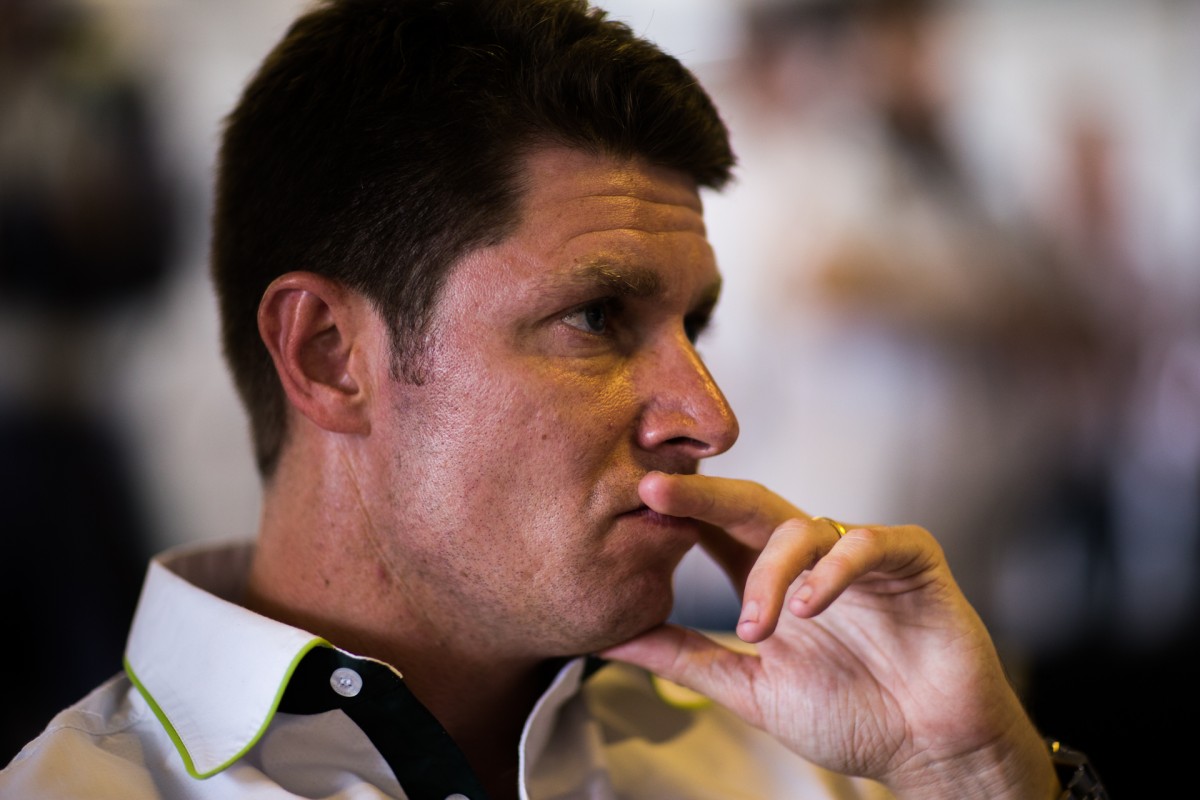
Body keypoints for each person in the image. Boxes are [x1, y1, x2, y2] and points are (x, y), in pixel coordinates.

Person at [0, 1, 1106, 798]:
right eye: (596, 317)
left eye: (695, 326)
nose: (710, 418)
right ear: (331, 355)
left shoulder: (821, 761)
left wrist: (973, 771)